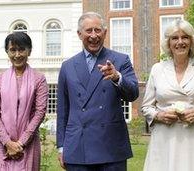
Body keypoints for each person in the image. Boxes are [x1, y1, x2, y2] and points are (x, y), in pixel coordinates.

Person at [56, 12, 139, 171]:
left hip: (111, 147)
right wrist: (61, 146)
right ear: (79, 34)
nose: (94, 35)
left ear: (105, 33)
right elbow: (63, 110)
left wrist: (117, 78)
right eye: (88, 31)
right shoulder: (67, 66)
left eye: (97, 30)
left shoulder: (121, 60)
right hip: (77, 147)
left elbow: (133, 93)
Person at [141, 20, 194, 171]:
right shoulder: (157, 69)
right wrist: (159, 116)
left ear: (192, 41)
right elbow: (146, 106)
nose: (180, 42)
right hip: (164, 137)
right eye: (174, 38)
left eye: (185, 37)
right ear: (169, 43)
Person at [0, 32, 48, 171]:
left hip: (28, 142)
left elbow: (39, 113)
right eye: (13, 50)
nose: (17, 55)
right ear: (7, 52)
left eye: (21, 49)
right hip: (0, 142)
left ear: (29, 51)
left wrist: (20, 143)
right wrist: (7, 142)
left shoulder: (39, 79)